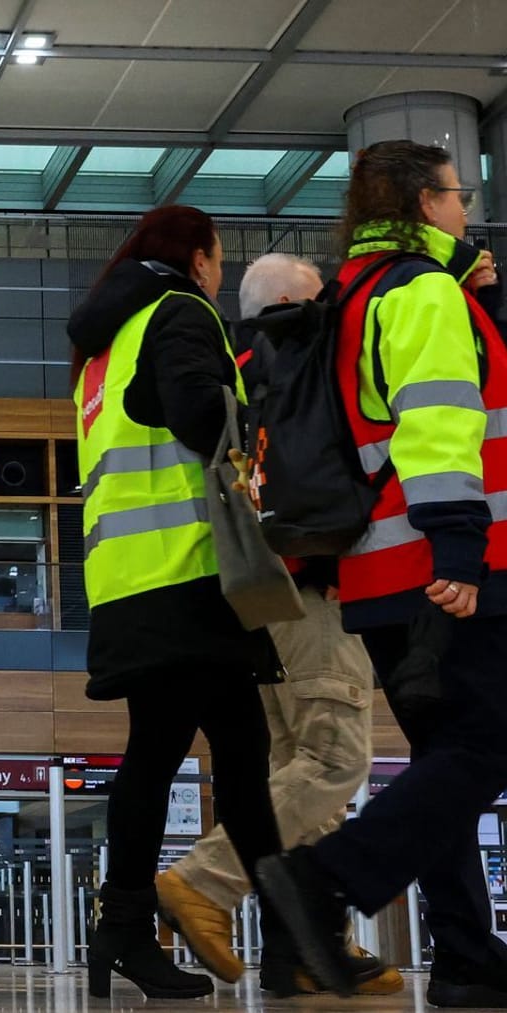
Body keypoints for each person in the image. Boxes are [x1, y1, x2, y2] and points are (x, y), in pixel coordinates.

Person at [257, 140, 507, 1009]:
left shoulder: (351, 294)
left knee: (449, 756)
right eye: (457, 194)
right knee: (486, 741)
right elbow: (439, 421)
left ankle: (469, 955)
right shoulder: (421, 291)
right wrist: (460, 548)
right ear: (425, 202)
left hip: (375, 569)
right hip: (442, 561)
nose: (465, 209)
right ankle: (326, 878)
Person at [153, 253, 401, 996]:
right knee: (333, 762)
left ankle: (307, 944)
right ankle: (203, 879)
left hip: (257, 592)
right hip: (315, 583)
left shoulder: (236, 369)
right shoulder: (300, 356)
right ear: (296, 301)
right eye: (318, 299)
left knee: (295, 772)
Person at [67, 205, 287, 999]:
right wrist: (257, 396)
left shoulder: (99, 349)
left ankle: (129, 926)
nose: (221, 273)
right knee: (226, 757)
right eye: (220, 258)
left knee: (188, 752)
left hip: (129, 582)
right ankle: (290, 939)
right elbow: (200, 413)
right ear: (197, 257)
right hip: (190, 573)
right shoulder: (180, 311)